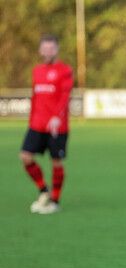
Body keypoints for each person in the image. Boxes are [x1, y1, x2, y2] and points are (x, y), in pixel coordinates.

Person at [20, 34, 73, 215]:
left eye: (52, 48)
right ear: (40, 50)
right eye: (45, 48)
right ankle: (44, 191)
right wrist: (31, 120)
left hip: (57, 126)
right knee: (25, 156)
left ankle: (55, 201)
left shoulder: (65, 70)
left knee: (56, 162)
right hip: (36, 124)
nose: (48, 51)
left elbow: (65, 96)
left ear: (57, 49)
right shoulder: (37, 70)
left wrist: (57, 117)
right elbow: (35, 98)